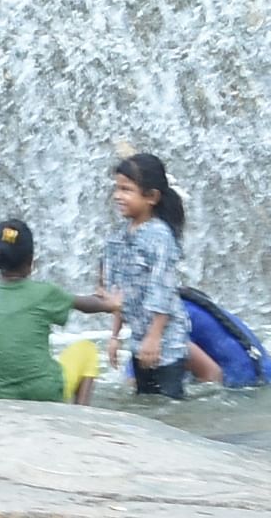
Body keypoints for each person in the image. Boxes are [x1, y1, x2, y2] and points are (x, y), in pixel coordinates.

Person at [79, 154, 193, 395]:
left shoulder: (160, 237)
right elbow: (119, 291)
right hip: (139, 339)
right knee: (145, 398)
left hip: (166, 342)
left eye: (126, 190)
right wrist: (114, 335)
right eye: (117, 188)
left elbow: (163, 289)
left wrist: (154, 337)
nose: (118, 196)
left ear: (151, 197)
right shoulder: (120, 235)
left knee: (168, 402)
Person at [0, 218, 80, 401]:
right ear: (31, 259)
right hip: (46, 393)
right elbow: (84, 304)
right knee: (86, 351)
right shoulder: (45, 293)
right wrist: (111, 304)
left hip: (2, 395)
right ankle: (79, 416)